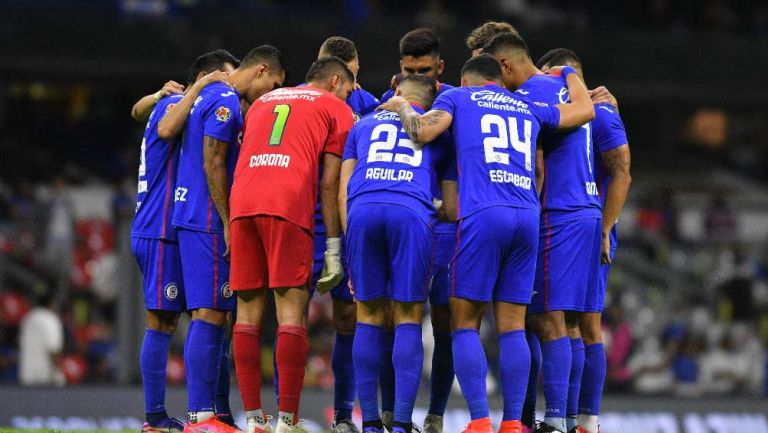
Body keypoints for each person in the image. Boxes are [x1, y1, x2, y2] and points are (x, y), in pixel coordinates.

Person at [379, 53, 594, 433]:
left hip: (483, 215)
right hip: (527, 215)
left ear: (466, 80)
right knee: (513, 325)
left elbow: (422, 132)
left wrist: (399, 106)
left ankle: (479, 420)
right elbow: (581, 113)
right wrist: (570, 74)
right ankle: (512, 423)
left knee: (464, 322)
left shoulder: (459, 99)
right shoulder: (527, 103)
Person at [483, 33, 603, 433]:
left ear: (505, 66)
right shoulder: (570, 88)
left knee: (548, 320)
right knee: (568, 324)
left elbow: (536, 166)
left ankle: (554, 420)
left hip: (559, 213)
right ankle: (569, 419)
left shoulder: (530, 95)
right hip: (586, 210)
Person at [229, 56, 354, 433]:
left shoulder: (266, 101)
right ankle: (288, 420)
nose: (350, 96)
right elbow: (330, 184)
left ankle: (253, 420)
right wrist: (334, 246)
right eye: (348, 89)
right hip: (287, 202)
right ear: (335, 81)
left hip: (243, 201)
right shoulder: (337, 109)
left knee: (247, 315)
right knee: (291, 314)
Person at [173, 45, 287, 433]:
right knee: (209, 314)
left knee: (217, 316)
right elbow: (213, 160)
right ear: (260, 70)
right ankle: (200, 416)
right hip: (206, 219)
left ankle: (217, 414)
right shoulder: (225, 101)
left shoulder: (213, 96)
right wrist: (226, 220)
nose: (269, 95)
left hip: (192, 216)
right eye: (271, 85)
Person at [340, 75, 457, 433]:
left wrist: (349, 245)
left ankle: (372, 423)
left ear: (398, 94)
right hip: (410, 213)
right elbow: (451, 208)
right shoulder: (439, 132)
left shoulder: (362, 124)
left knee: (368, 314)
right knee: (407, 316)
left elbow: (344, 186)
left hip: (361, 211)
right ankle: (404, 423)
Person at [130, 49, 237, 433]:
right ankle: (156, 417)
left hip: (169, 226)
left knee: (210, 316)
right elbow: (161, 129)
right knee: (162, 321)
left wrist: (160, 95)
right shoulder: (180, 104)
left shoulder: (169, 101)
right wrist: (196, 88)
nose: (230, 83)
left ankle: (215, 412)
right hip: (159, 228)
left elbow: (136, 111)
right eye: (226, 75)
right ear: (207, 76)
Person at [537, 48, 631, 433]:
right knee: (569, 323)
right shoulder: (585, 112)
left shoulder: (598, 112)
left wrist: (606, 229)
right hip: (576, 223)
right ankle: (576, 417)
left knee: (582, 325)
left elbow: (622, 172)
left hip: (587, 226)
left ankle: (583, 418)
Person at [379, 27, 456, 433]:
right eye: (410, 69)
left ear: (440, 67)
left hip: (443, 226)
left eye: (425, 69)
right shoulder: (386, 100)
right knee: (394, 318)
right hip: (403, 221)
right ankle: (391, 412)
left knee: (443, 321)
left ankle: (437, 414)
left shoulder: (453, 103)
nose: (418, 76)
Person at [314, 36, 379, 433]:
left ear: (357, 69)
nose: (343, 82)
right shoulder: (300, 99)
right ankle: (276, 414)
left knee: (348, 319)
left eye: (349, 74)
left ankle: (343, 414)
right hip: (305, 219)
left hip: (348, 219)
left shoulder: (369, 105)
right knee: (286, 312)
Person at [18, 291, 64, 387]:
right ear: (51, 304)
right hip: (45, 380)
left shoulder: (28, 318)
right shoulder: (50, 319)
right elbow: (52, 350)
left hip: (26, 377)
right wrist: (59, 374)